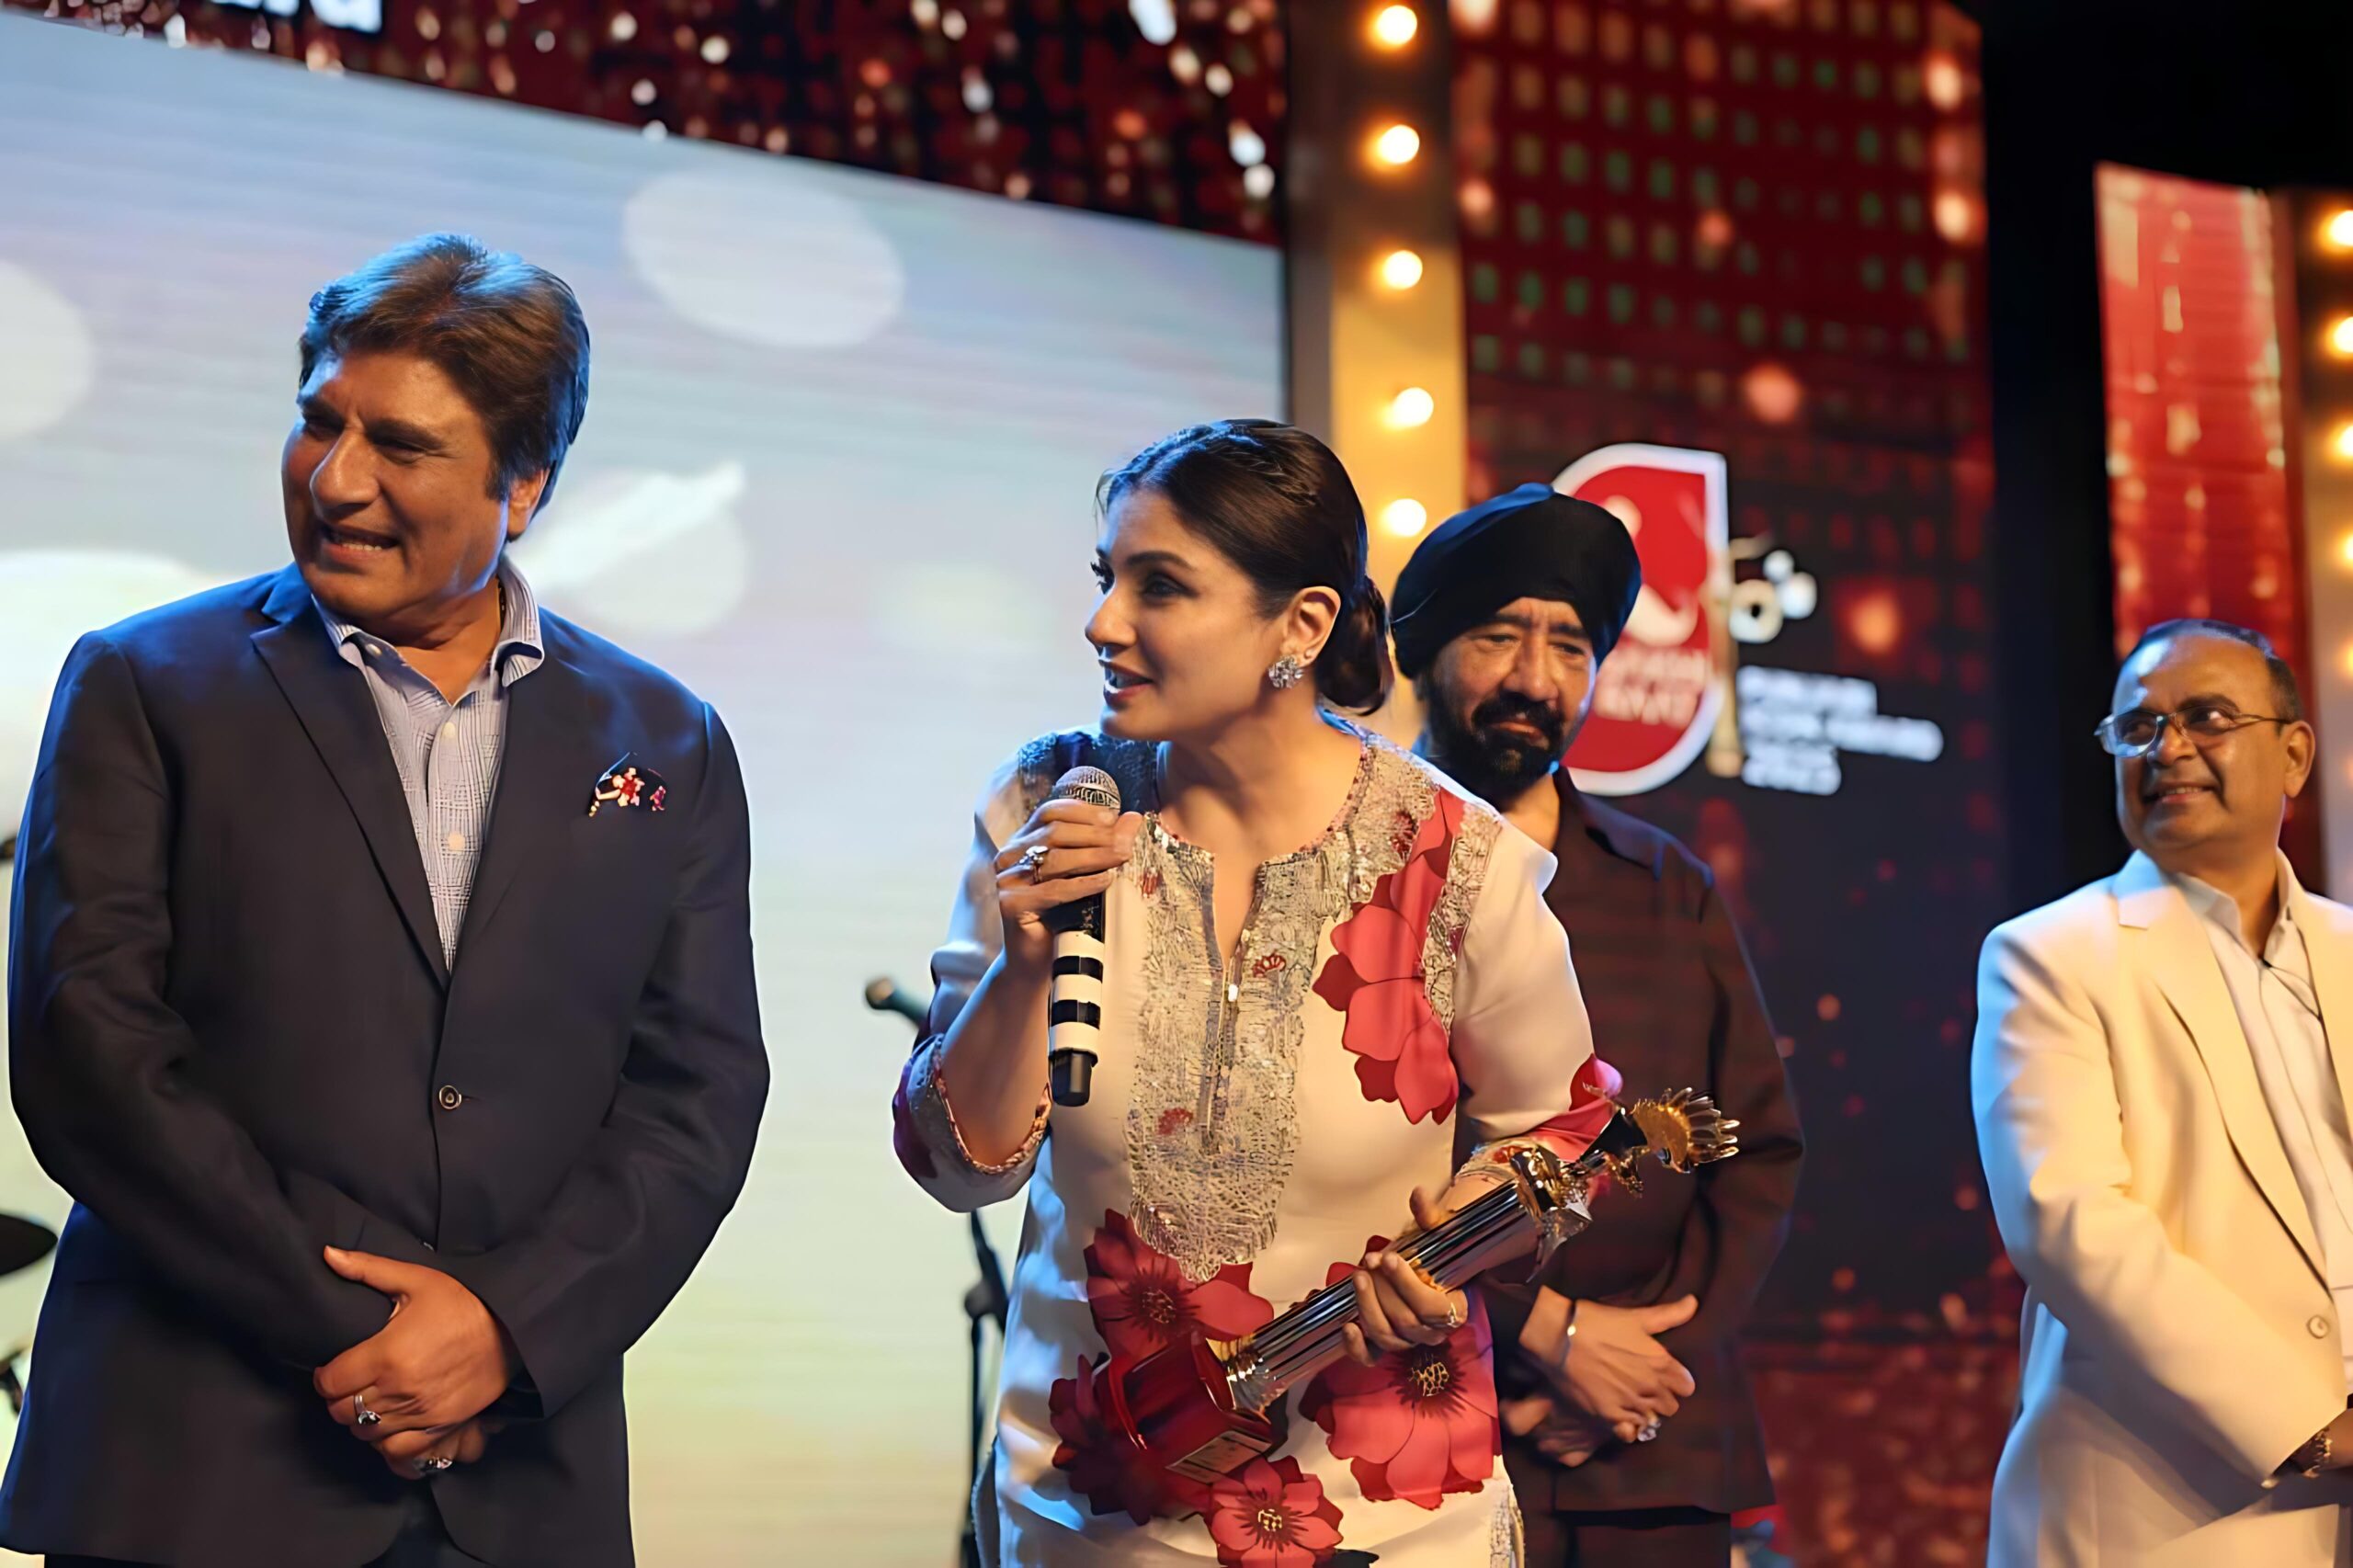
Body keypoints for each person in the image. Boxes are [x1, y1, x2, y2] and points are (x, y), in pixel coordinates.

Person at [3, 234, 768, 1568]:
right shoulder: (147, 682)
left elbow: (695, 1095)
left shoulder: (666, 737)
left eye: (400, 445)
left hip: (521, 1492)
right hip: (188, 1478)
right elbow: (92, 1057)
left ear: (525, 484)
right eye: (319, 423)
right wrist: (378, 1336)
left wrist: (506, 1332)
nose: (335, 479)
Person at [892, 420, 1622, 1564]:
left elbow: (1567, 1132)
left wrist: (1453, 1247)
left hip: (1389, 1517)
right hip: (1085, 1510)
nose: (1103, 622)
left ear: (1303, 624)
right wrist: (1026, 955)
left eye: (1160, 585)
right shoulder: (1046, 801)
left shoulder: (1456, 861)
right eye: (1106, 577)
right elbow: (956, 1168)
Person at [1392, 484, 1803, 1567]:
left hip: (1649, 1442)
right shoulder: (1357, 877)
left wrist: (1647, 1364)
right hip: (1412, 1420)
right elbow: (1345, 1171)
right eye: (1498, 635)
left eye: (1569, 646)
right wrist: (1549, 1340)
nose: (1535, 678)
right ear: (1425, 651)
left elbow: (1758, 1150)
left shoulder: (1665, 884)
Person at [1974, 618, 2353, 1564]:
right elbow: (2070, 1222)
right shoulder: (2050, 954)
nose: (2168, 749)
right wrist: (2309, 1424)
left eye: (2207, 717)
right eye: (2138, 728)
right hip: (2172, 1514)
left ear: (2294, 754)